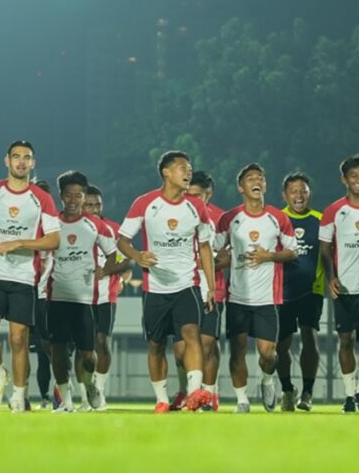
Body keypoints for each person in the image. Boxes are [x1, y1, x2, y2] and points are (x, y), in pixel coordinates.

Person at [0, 140, 61, 412]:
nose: (21, 162)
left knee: (19, 339)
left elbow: (54, 240)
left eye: (26, 157)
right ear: (7, 161)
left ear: (33, 163)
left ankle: (18, 395)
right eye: (16, 156)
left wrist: (20, 243)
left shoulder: (42, 199)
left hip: (24, 279)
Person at [117, 151, 216, 413]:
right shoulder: (145, 203)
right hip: (155, 287)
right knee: (156, 344)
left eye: (190, 168)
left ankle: (195, 394)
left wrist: (211, 286)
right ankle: (161, 400)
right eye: (183, 168)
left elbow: (205, 246)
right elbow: (122, 240)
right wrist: (138, 256)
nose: (188, 173)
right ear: (166, 173)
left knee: (191, 335)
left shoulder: (196, 206)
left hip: (188, 283)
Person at [216, 163, 298, 413]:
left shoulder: (278, 218)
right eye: (251, 178)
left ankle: (266, 380)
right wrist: (224, 260)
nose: (257, 181)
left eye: (261, 178)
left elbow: (293, 252)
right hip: (238, 298)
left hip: (266, 299)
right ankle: (242, 400)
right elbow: (215, 252)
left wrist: (269, 256)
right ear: (241, 187)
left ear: (264, 185)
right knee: (237, 350)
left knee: (268, 355)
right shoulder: (229, 219)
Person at [48, 170, 126, 413]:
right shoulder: (50, 223)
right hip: (56, 297)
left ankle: (91, 384)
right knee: (58, 351)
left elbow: (116, 255)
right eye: (68, 195)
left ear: (83, 197)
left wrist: (106, 270)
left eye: (78, 195)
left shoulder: (96, 224)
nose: (73, 200)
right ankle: (67, 402)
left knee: (88, 353)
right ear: (61, 196)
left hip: (85, 299)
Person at [319, 155, 359, 413]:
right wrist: (330, 277)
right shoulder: (333, 211)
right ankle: (348, 394)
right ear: (344, 179)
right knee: (345, 342)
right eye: (354, 175)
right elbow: (325, 250)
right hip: (343, 288)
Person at [168, 171, 227, 411]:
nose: (190, 199)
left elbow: (228, 255)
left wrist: (212, 262)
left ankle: (209, 396)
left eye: (196, 195)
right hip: (182, 287)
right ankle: (187, 390)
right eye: (187, 194)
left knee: (207, 344)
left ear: (208, 194)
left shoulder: (220, 217)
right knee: (182, 350)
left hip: (212, 289)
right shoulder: (175, 211)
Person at [277, 172, 325, 412]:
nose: (299, 195)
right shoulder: (276, 219)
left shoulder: (320, 219)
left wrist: (332, 278)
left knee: (310, 338)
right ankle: (287, 389)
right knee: (281, 345)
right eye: (293, 191)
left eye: (303, 191)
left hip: (312, 290)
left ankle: (307, 392)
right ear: (285, 195)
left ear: (309, 194)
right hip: (281, 291)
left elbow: (328, 253)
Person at [83, 184, 132, 411]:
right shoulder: (72, 227)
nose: (94, 209)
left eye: (97, 205)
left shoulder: (113, 229)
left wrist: (110, 273)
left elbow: (127, 261)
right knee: (83, 347)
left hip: (105, 296)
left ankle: (99, 389)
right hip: (78, 297)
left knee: (101, 343)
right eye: (89, 205)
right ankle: (84, 394)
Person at [30, 179, 55, 409]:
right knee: (36, 351)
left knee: (52, 349)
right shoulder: (23, 226)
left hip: (52, 298)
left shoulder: (57, 227)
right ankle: (36, 396)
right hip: (28, 294)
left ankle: (62, 392)